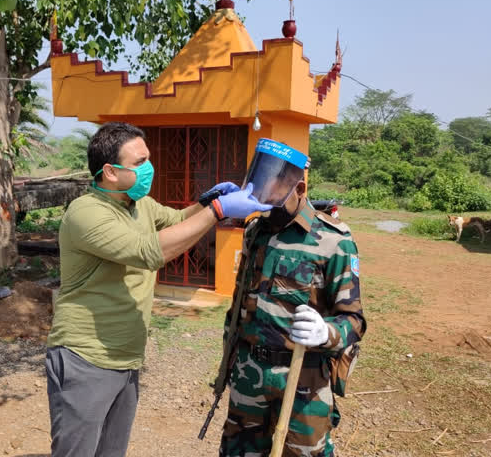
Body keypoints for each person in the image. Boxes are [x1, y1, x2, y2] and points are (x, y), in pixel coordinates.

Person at [45, 122, 272, 457]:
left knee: (111, 451)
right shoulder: (87, 213)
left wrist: (206, 201)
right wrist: (218, 212)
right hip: (86, 357)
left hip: (126, 357)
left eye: (147, 159)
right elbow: (150, 252)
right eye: (139, 162)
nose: (149, 168)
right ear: (109, 172)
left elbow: (177, 221)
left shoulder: (139, 206)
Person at [219, 141, 366, 457]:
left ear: (299, 187)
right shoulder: (256, 232)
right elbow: (239, 303)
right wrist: (230, 361)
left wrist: (325, 332)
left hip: (304, 380)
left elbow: (354, 320)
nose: (264, 202)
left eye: (273, 192)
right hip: (249, 373)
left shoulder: (334, 241)